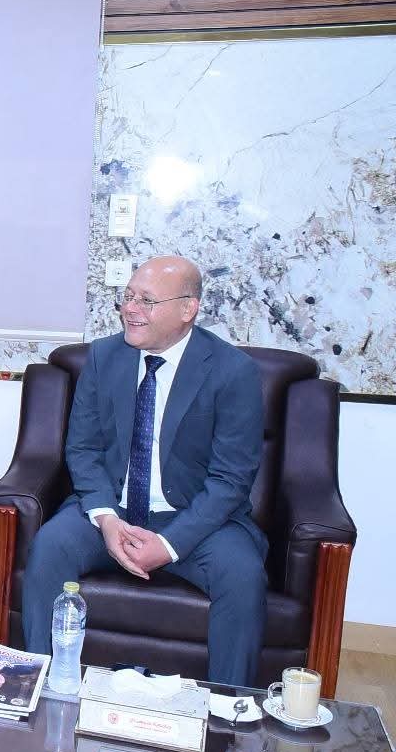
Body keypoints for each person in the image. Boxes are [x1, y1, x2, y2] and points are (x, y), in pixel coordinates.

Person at [22, 255, 267, 687]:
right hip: (111, 511)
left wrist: (169, 544)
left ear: (187, 309)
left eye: (147, 301)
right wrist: (106, 519)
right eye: (128, 296)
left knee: (243, 576)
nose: (130, 309)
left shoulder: (233, 372)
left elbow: (231, 480)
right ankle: (43, 691)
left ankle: (227, 707)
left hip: (196, 520)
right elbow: (83, 448)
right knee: (50, 547)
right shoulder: (104, 357)